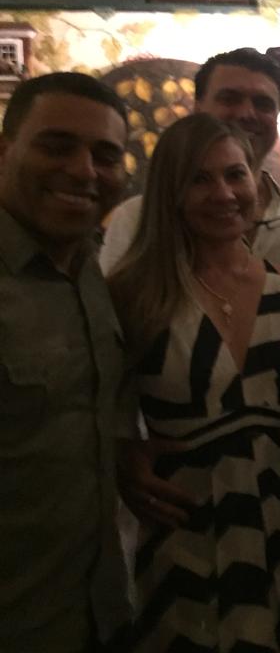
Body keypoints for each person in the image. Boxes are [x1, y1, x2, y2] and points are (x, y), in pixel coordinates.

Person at [108, 114, 280, 650]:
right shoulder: (133, 293)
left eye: (235, 174)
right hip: (184, 520)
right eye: (200, 179)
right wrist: (123, 457)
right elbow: (103, 407)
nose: (224, 193)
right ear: (171, 191)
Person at [0, 73, 133, 650]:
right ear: (5, 151)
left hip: (97, 613)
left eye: (105, 156)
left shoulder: (90, 269)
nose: (84, 171)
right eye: (57, 147)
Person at [100, 47, 280, 277]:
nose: (247, 113)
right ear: (198, 108)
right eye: (230, 99)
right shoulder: (135, 218)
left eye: (263, 104)